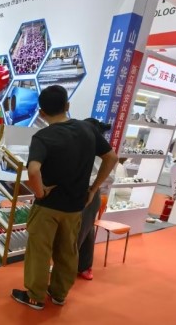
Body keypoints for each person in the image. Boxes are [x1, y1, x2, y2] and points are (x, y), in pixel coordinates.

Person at [11, 85, 118, 310]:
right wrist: (93, 189)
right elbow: (111, 157)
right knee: (68, 252)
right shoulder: (88, 130)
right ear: (67, 105)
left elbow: (33, 170)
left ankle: (35, 296)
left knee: (40, 252)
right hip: (75, 206)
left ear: (41, 113)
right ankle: (59, 294)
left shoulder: (43, 136)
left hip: (47, 207)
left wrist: (40, 193)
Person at [76, 117, 114, 281]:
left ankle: (65, 268)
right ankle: (84, 266)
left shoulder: (98, 152)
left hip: (87, 194)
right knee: (86, 232)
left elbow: (109, 176)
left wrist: (90, 186)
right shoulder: (92, 148)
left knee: (77, 233)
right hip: (90, 194)